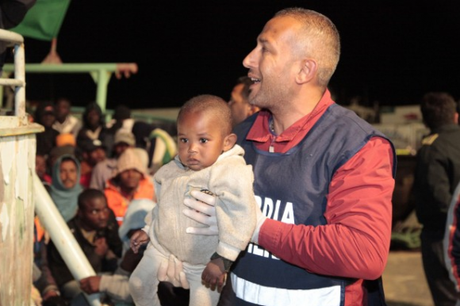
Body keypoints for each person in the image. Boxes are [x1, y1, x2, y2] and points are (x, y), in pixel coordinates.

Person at [180, 8, 396, 306]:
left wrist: (255, 227)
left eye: (264, 48)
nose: (248, 60)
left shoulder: (356, 145)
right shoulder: (235, 139)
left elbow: (363, 253)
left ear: (304, 71)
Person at [128, 95, 257, 306]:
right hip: (163, 249)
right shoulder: (171, 169)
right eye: (184, 139)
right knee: (138, 284)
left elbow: (242, 214)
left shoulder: (229, 172)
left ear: (227, 142)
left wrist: (223, 258)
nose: (192, 149)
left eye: (203, 140)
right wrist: (148, 228)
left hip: (204, 262)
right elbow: (163, 204)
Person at [413, 92, 460, 306]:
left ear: (425, 120)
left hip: (442, 238)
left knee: (448, 297)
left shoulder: (431, 149)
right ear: (455, 116)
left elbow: (437, 199)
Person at [47, 189, 122, 304]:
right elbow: (63, 274)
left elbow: (119, 248)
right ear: (80, 213)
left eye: (105, 209)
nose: (102, 216)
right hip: (73, 281)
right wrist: (95, 255)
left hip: (100, 275)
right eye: (94, 211)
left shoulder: (108, 222)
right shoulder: (66, 234)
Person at [104, 147, 154, 225]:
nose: (131, 175)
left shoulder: (153, 192)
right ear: (118, 174)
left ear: (141, 174)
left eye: (135, 171)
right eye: (126, 171)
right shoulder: (107, 196)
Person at [49, 154, 84, 222]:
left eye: (72, 171)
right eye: (63, 171)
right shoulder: (46, 196)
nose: (68, 176)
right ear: (56, 173)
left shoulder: (84, 197)